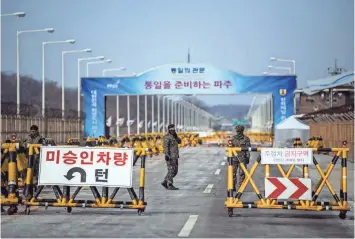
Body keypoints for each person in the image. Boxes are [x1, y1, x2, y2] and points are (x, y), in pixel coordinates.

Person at [161, 124, 181, 190]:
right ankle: (170, 184)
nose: (173, 131)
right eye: (172, 130)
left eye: (174, 129)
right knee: (171, 170)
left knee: (175, 171)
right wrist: (167, 155)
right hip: (170, 157)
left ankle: (165, 181)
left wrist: (176, 136)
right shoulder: (166, 137)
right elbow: (165, 147)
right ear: (169, 130)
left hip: (175, 156)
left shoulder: (174, 136)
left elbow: (179, 142)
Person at [231, 125, 251, 191]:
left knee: (242, 173)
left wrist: (247, 157)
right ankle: (233, 186)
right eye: (237, 131)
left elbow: (248, 149)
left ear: (242, 131)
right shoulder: (233, 138)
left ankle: (241, 187)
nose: (238, 132)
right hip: (234, 158)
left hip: (243, 158)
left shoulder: (246, 139)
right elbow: (230, 148)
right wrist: (229, 157)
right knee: (232, 173)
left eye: (240, 131)